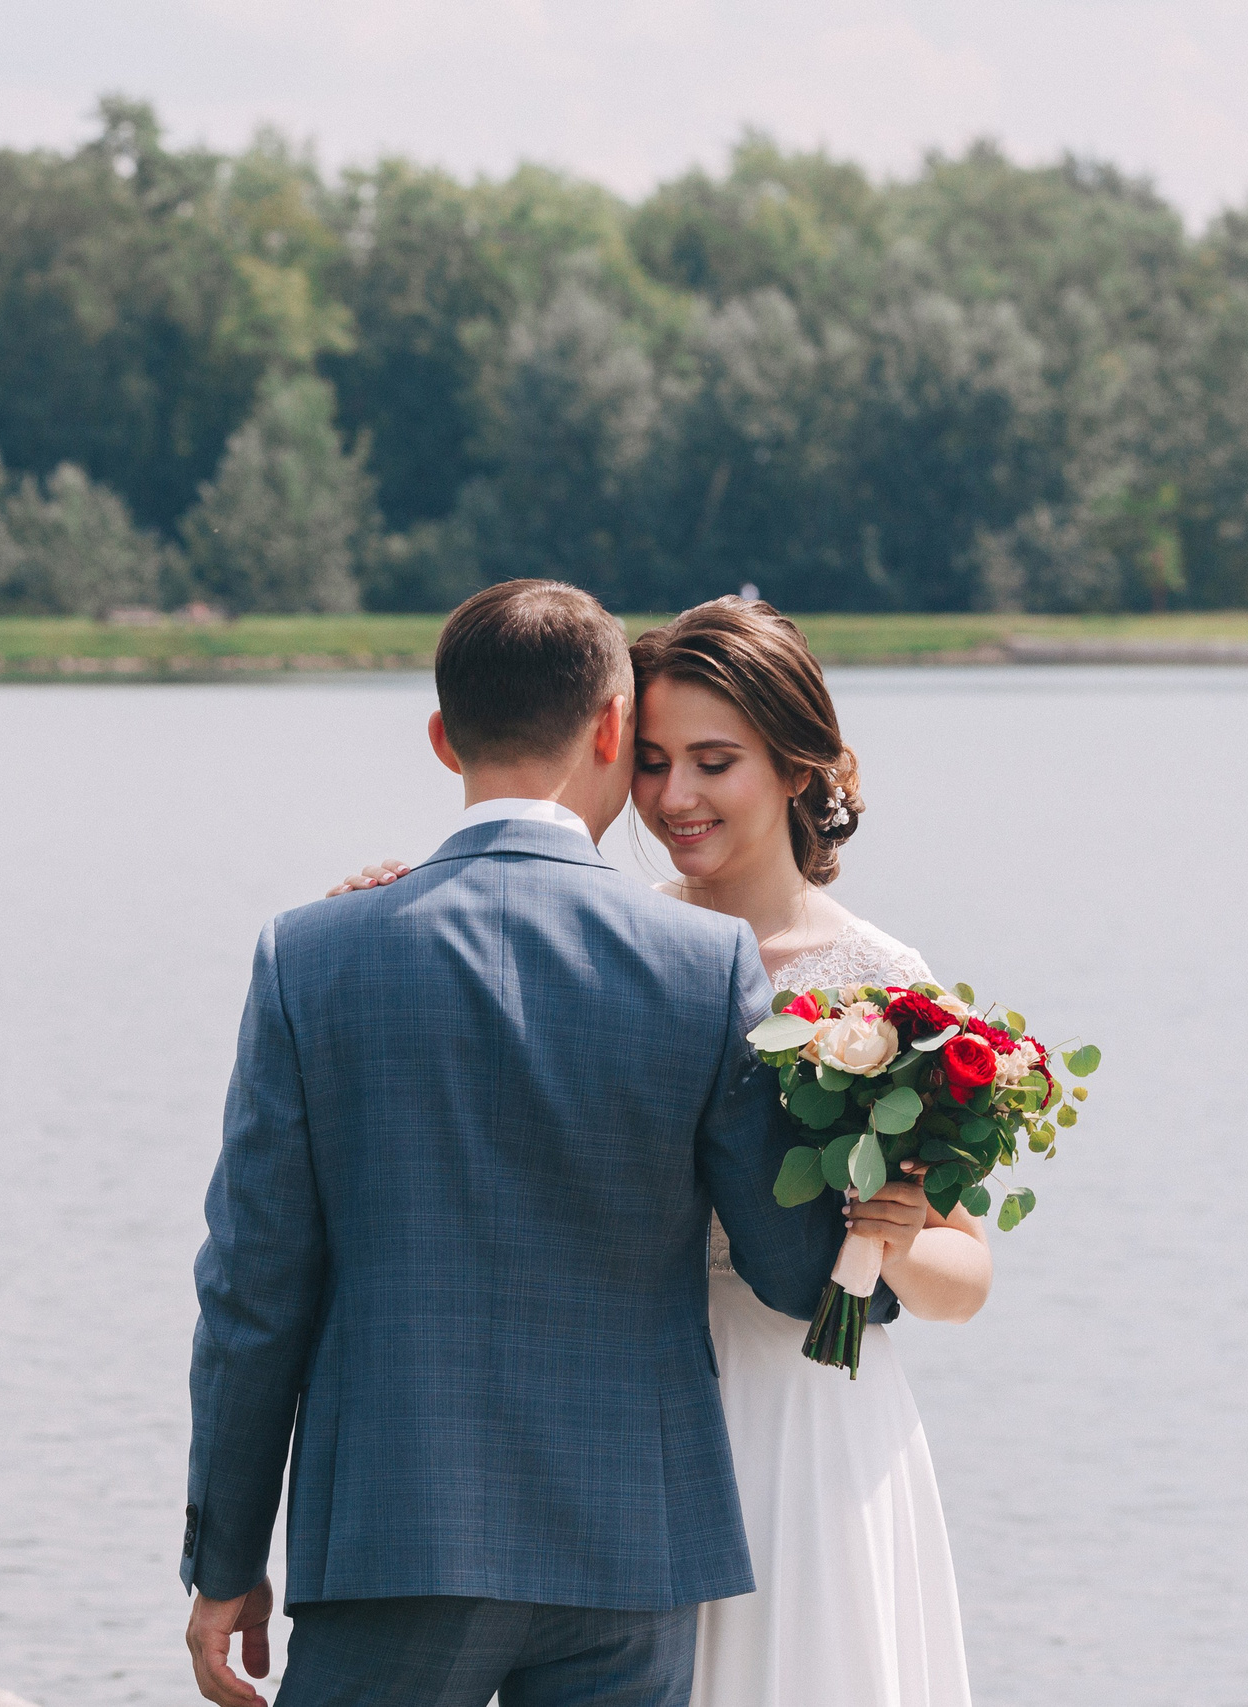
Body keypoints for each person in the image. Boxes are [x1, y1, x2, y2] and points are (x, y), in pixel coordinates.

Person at [183, 581, 852, 1707]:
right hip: (632, 1547)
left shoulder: (312, 954)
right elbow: (791, 1269)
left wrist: (225, 1561)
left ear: (443, 739)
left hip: (396, 1538)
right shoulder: (706, 967)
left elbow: (252, 1296)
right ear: (610, 728)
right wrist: (898, 1195)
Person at [317, 594, 984, 1706]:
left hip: (802, 1420)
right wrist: (401, 913)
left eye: (714, 761)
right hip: (619, 1425)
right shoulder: (623, 944)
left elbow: (965, 1278)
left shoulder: (879, 985)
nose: (674, 798)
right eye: (655, 760)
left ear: (794, 766)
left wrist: (896, 1235)